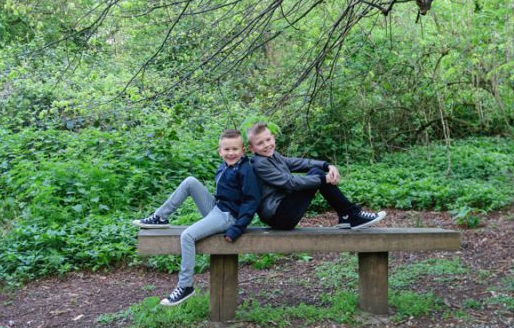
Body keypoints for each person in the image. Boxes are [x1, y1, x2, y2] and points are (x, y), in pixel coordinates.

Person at [132, 129, 261, 306]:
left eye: (235, 149)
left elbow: (251, 201)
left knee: (187, 236)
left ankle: (185, 286)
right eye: (227, 149)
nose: (231, 153)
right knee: (190, 181)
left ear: (243, 150)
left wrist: (237, 228)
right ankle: (160, 217)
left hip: (228, 217)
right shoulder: (225, 166)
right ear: (220, 151)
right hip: (218, 209)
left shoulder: (245, 170)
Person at [246, 122, 386, 230]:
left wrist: (327, 165)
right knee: (318, 175)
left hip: (284, 209)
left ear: (273, 138)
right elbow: (290, 182)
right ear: (252, 148)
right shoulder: (259, 164)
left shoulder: (273, 156)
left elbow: (298, 162)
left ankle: (347, 215)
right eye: (260, 143)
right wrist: (323, 179)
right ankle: (350, 215)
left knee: (317, 172)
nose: (267, 145)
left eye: (268, 139)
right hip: (278, 216)